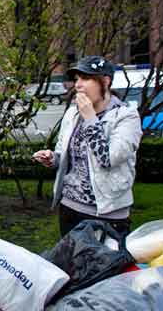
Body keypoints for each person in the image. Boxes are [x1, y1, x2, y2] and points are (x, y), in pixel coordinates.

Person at [33, 56, 142, 237]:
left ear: (105, 82)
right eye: (77, 79)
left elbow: (107, 160)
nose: (78, 85)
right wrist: (52, 158)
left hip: (106, 214)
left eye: (86, 78)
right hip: (70, 208)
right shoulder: (72, 114)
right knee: (70, 265)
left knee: (102, 265)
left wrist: (91, 119)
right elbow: (65, 156)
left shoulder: (126, 117)